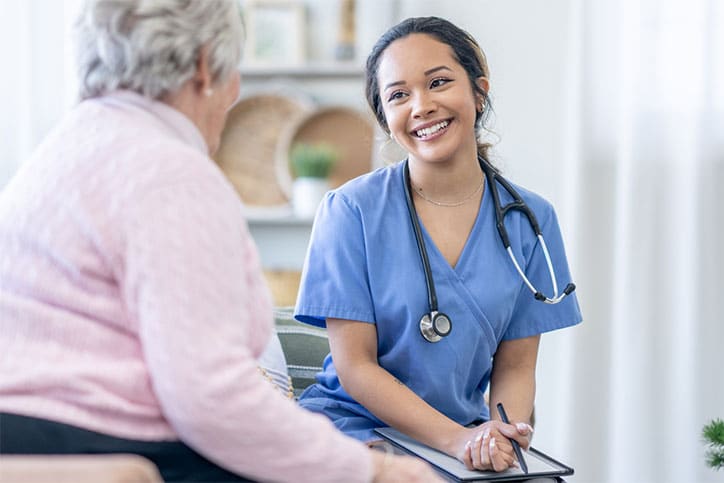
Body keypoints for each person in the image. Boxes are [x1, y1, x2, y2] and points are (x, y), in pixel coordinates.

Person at [0, 2, 443, 482]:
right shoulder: (167, 171)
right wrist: (371, 471)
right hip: (94, 441)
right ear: (205, 67)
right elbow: (209, 397)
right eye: (234, 71)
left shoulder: (58, 155)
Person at [294, 16, 583, 473]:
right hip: (354, 426)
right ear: (386, 119)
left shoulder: (531, 219)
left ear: (479, 91)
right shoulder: (350, 211)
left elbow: (516, 367)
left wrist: (503, 431)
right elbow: (356, 368)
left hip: (462, 434)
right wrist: (458, 440)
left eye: (439, 82)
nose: (421, 106)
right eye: (398, 95)